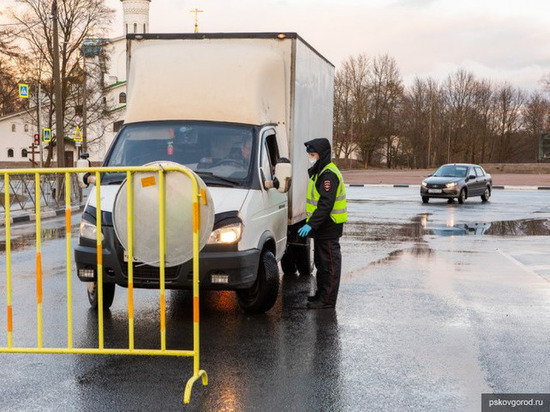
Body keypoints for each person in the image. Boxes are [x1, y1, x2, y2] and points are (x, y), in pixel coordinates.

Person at [297, 138, 347, 309]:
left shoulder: (328, 175)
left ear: (322, 154)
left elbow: (326, 204)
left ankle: (327, 301)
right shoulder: (320, 171)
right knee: (321, 263)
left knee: (329, 265)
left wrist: (311, 224)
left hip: (329, 226)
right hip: (321, 227)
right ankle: (321, 294)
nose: (311, 157)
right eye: (310, 155)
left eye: (313, 154)